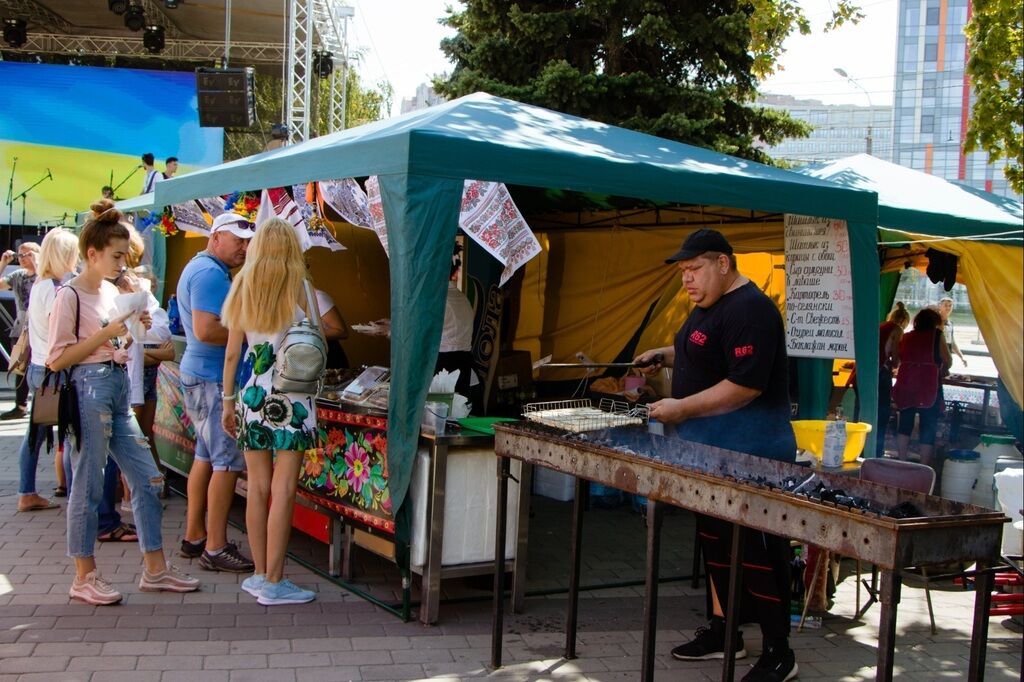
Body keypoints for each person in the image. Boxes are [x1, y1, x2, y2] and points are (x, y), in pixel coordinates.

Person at [635, 229, 797, 682]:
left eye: (694, 270)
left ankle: (779, 651)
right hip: (707, 451)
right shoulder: (709, 308)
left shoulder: (752, 311)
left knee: (759, 553)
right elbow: (705, 352)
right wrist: (667, 356)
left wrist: (680, 408)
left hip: (753, 455)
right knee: (718, 546)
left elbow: (745, 384)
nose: (686, 280)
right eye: (683, 272)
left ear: (723, 264)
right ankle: (725, 632)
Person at [47, 198, 200, 605]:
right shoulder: (70, 296)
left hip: (115, 387)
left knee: (148, 478)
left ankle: (155, 568)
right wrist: (108, 334)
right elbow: (58, 358)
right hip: (88, 389)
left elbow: (114, 343)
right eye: (116, 256)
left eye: (125, 256)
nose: (122, 264)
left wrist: (133, 330)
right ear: (92, 254)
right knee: (89, 483)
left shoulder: (111, 291)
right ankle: (84, 575)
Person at [221, 218, 320, 605]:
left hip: (252, 394)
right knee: (284, 487)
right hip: (292, 396)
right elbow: (316, 341)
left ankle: (260, 574)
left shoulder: (242, 283)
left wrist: (227, 402)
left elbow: (232, 353)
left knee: (257, 486)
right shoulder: (302, 287)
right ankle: (276, 583)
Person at [177, 211, 256, 573]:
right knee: (226, 462)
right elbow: (207, 330)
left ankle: (195, 535)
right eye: (237, 240)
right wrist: (255, 332)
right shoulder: (210, 273)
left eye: (247, 241)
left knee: (205, 457)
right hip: (211, 377)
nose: (244, 247)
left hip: (199, 373)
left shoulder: (202, 267)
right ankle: (215, 546)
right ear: (216, 238)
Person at [15, 229, 78, 511]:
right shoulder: (54, 288)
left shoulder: (44, 285)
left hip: (41, 368)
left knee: (38, 435)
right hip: (54, 372)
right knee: (69, 436)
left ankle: (27, 491)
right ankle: (35, 493)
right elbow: (61, 333)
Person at [894, 307, 952, 467]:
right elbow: (948, 359)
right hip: (928, 384)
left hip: (906, 383)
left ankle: (902, 461)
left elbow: (899, 357)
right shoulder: (936, 336)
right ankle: (924, 465)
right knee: (928, 424)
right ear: (935, 323)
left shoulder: (906, 336)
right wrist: (943, 366)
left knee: (905, 422)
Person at [0, 241, 40, 420]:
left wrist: (38, 263)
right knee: (20, 369)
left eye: (27, 254)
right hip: (21, 329)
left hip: (40, 330)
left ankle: (42, 404)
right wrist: (3, 263)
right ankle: (21, 406)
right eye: (20, 255)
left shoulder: (45, 274)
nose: (22, 258)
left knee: (41, 368)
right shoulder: (17, 276)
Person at [435, 243, 475, 398]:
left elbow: (420, 333)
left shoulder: (438, 299)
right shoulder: (460, 298)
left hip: (445, 365)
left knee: (438, 417)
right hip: (462, 363)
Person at [873, 302, 910, 457]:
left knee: (865, 411)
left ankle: (863, 447)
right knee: (881, 413)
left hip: (867, 371)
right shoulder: (897, 330)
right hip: (881, 373)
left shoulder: (881, 325)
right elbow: (895, 357)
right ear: (904, 321)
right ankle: (877, 450)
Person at [937, 296, 967, 367]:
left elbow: (952, 342)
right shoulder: (936, 321)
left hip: (947, 356)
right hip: (937, 356)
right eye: (945, 305)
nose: (948, 308)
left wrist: (962, 357)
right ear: (940, 306)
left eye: (950, 305)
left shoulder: (950, 323)